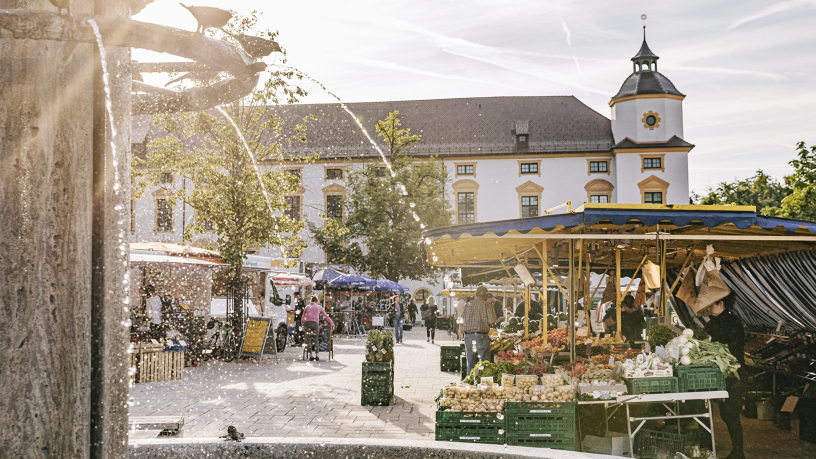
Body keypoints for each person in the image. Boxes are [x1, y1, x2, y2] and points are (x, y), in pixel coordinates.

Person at [705, 291, 745, 459]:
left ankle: (738, 451)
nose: (709, 308)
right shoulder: (717, 321)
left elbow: (729, 348)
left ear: (721, 304)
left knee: (731, 414)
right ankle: (737, 449)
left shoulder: (730, 323)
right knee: (726, 413)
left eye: (712, 305)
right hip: (725, 374)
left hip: (733, 375)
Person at [462, 286, 499, 376]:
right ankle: (482, 383)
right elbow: (492, 322)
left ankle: (471, 382)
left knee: (470, 362)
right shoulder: (487, 305)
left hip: (468, 336)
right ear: (486, 295)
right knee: (484, 364)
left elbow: (462, 319)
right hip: (481, 336)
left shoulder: (468, 304)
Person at [301, 295, 334, 361]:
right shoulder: (319, 307)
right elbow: (326, 316)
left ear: (311, 301)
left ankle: (310, 356)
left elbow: (303, 317)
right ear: (317, 301)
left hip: (307, 323)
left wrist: (303, 324)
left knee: (309, 339)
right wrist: (332, 323)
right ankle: (317, 356)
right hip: (315, 323)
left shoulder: (307, 307)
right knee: (316, 339)